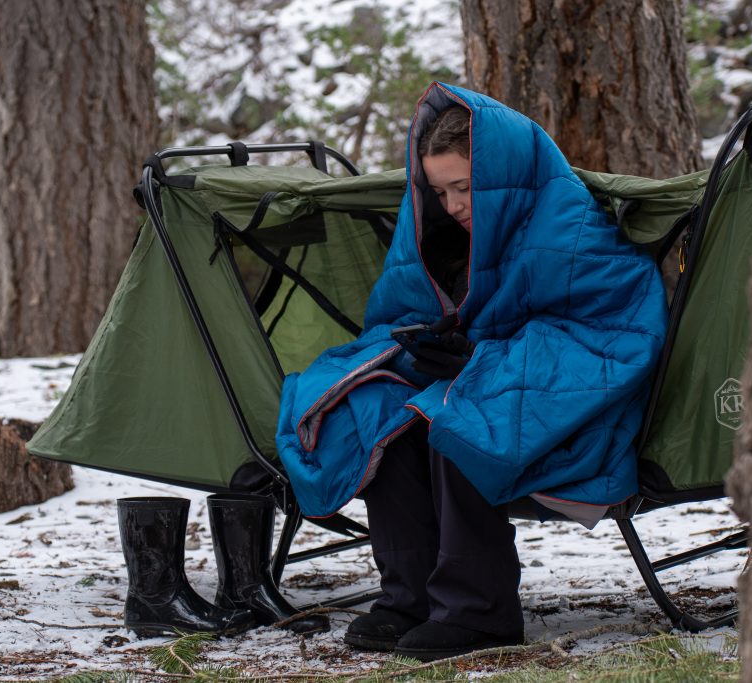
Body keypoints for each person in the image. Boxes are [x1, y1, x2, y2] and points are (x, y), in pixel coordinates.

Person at [275, 82, 668, 661]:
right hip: (504, 389)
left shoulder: (573, 230)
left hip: (581, 411)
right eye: (439, 192)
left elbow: (611, 335)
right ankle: (410, 597)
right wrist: (425, 349)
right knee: (384, 410)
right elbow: (397, 315)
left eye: (465, 188)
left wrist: (479, 361)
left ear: (502, 177)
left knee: (457, 415)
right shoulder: (444, 236)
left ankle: (478, 611)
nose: (454, 206)